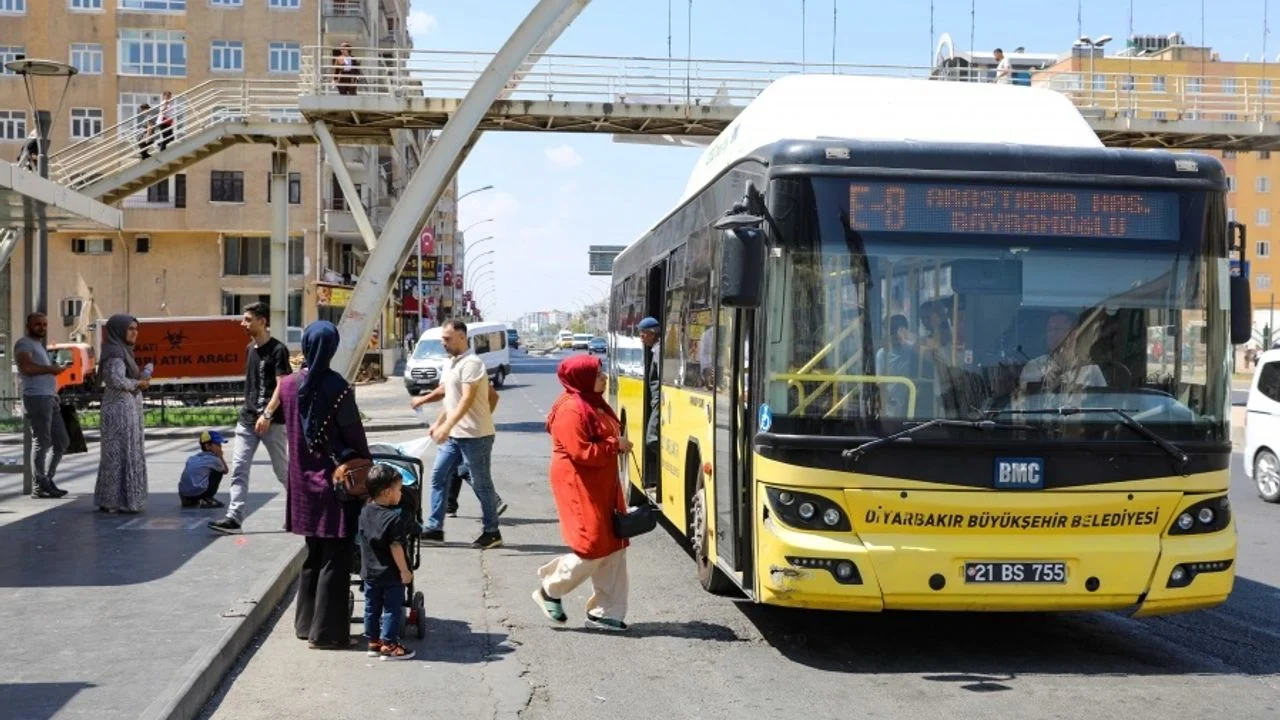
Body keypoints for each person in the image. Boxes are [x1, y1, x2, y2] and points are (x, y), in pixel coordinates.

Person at [267, 321, 369, 648]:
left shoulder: (286, 387)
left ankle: (305, 624)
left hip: (301, 484)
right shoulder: (338, 388)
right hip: (335, 484)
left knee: (312, 553)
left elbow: (285, 422)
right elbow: (355, 437)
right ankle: (327, 634)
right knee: (335, 558)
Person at [533, 355, 633, 632]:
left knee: (613, 545)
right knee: (592, 545)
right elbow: (582, 452)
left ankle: (606, 612)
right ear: (583, 379)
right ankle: (550, 587)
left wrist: (615, 444)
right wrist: (616, 445)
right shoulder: (571, 410)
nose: (604, 377)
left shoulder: (592, 402)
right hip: (579, 484)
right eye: (598, 374)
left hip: (602, 483)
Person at [419, 319, 504, 549]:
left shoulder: (472, 363)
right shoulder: (451, 363)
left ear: (462, 337)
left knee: (481, 482)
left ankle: (492, 531)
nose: (443, 343)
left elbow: (466, 399)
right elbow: (449, 398)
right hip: (455, 436)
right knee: (438, 476)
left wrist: (446, 427)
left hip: (476, 436)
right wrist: (438, 423)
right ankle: (434, 528)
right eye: (442, 339)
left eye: (447, 338)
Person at [209, 303, 292, 534]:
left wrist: (267, 414)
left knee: (282, 471)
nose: (242, 323)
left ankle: (298, 511)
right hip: (246, 420)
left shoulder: (278, 350)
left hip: (272, 423)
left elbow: (282, 386)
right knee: (239, 469)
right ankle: (234, 517)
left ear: (262, 322)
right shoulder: (249, 349)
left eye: (247, 319)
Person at [410, 375, 507, 518]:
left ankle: (493, 502)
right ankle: (450, 505)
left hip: (469, 434)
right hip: (459, 432)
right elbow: (450, 405)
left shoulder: (466, 371)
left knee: (464, 470)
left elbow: (443, 391)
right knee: (454, 468)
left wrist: (421, 400)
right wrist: (438, 424)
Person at [359, 465, 416, 661]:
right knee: (391, 608)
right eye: (399, 489)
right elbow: (396, 547)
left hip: (369, 572)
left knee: (371, 607)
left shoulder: (365, 511)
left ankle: (373, 643)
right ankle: (389, 645)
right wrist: (405, 571)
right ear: (387, 492)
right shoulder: (395, 518)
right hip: (391, 574)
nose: (401, 493)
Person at [94, 314, 150, 514]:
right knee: (119, 454)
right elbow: (115, 380)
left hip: (125, 406)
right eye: (130, 329)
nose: (135, 333)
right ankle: (114, 501)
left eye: (136, 329)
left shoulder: (123, 351)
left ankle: (116, 499)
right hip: (119, 409)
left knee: (122, 453)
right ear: (118, 330)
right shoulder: (116, 352)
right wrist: (139, 383)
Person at [15, 312, 69, 499]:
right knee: (42, 441)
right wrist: (50, 369)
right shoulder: (24, 343)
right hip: (36, 398)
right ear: (28, 325)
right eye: (38, 324)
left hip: (49, 397)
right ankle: (41, 482)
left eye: (45, 324)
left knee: (62, 441)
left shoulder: (39, 345)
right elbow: (26, 367)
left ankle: (47, 479)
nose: (42, 328)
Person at [1019, 311, 1106, 391]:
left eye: (1057, 329)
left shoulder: (1091, 371)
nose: (1052, 334)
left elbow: (1102, 402)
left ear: (1073, 334)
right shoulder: (1034, 367)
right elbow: (1023, 401)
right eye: (1049, 330)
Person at [875, 314, 920, 417]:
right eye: (893, 331)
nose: (896, 335)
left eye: (900, 331)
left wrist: (906, 338)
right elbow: (879, 382)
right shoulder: (882, 354)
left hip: (912, 400)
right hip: (890, 403)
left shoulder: (912, 349)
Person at [637, 316, 661, 490]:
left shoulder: (659, 352)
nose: (641, 338)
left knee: (652, 439)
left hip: (659, 404)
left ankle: (661, 475)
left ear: (652, 334)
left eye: (643, 334)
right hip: (656, 402)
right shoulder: (656, 350)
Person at [180, 431, 228, 509]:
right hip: (197, 493)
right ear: (207, 446)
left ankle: (189, 500)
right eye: (218, 444)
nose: (220, 447)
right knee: (218, 472)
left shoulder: (192, 458)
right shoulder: (215, 460)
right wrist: (221, 457)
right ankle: (207, 498)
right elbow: (226, 470)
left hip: (184, 494)